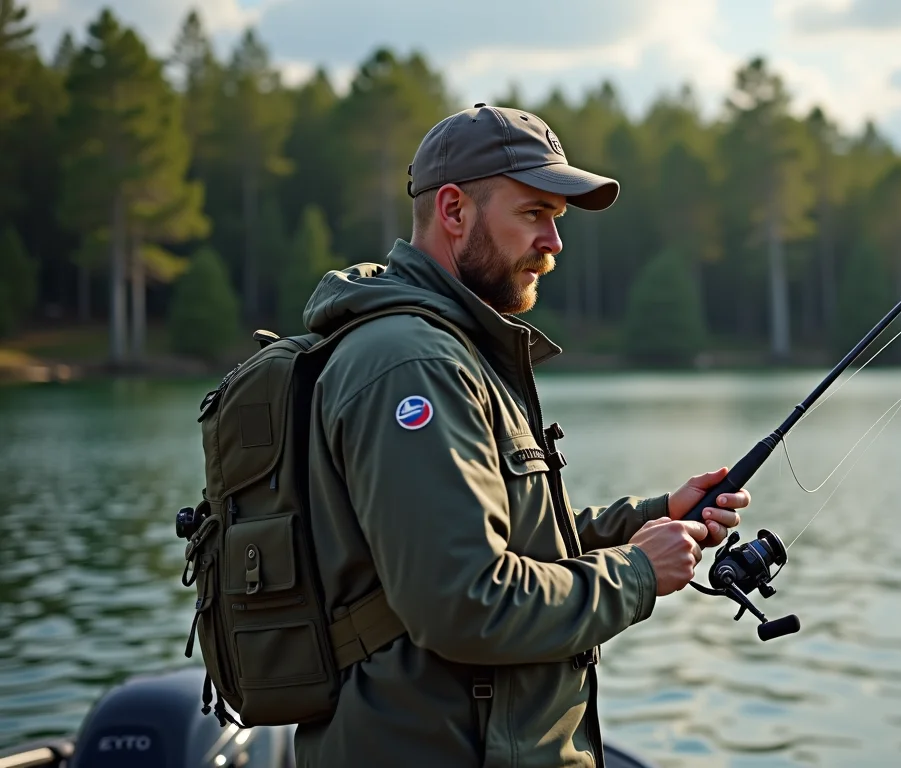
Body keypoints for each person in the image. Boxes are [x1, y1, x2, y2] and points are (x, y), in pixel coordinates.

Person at [292, 103, 750, 767]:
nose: (555, 244)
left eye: (557, 221)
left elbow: (509, 540)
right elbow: (465, 602)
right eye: (535, 214)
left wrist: (654, 518)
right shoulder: (413, 365)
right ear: (453, 211)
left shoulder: (449, 350)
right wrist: (639, 572)